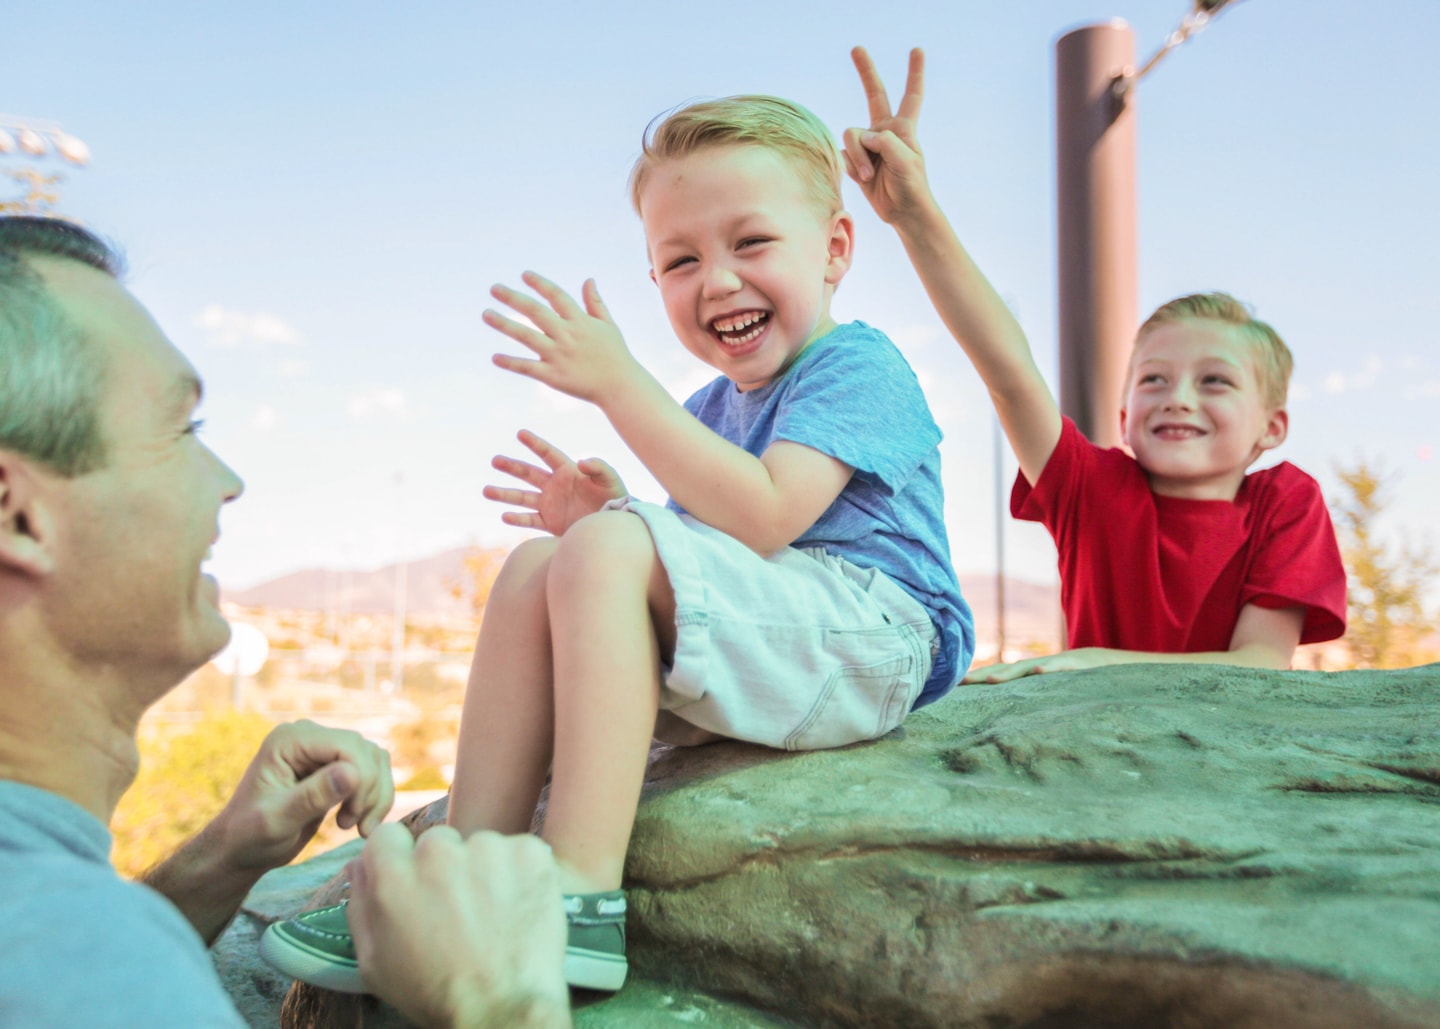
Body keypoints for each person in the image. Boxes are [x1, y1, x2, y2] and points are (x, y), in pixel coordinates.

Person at [262, 92, 974, 994]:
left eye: (751, 244)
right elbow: (718, 559)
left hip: (879, 634)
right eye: (681, 260)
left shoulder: (856, 363)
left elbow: (765, 514)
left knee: (606, 546)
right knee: (536, 564)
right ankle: (474, 865)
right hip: (795, 635)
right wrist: (620, 513)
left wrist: (618, 394)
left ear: (834, 249)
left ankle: (577, 897)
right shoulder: (712, 410)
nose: (717, 280)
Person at [0, 215, 571, 1029]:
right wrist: (498, 1003)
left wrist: (217, 861)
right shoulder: (71, 960)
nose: (228, 481)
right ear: (16, 514)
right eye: (180, 429)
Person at [841, 47, 1346, 684]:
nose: (1178, 397)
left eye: (1214, 380)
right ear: (1124, 414)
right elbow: (1008, 370)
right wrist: (915, 216)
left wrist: (1089, 664)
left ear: (1272, 427)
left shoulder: (1285, 503)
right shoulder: (1094, 489)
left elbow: (1259, 667)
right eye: (1153, 379)